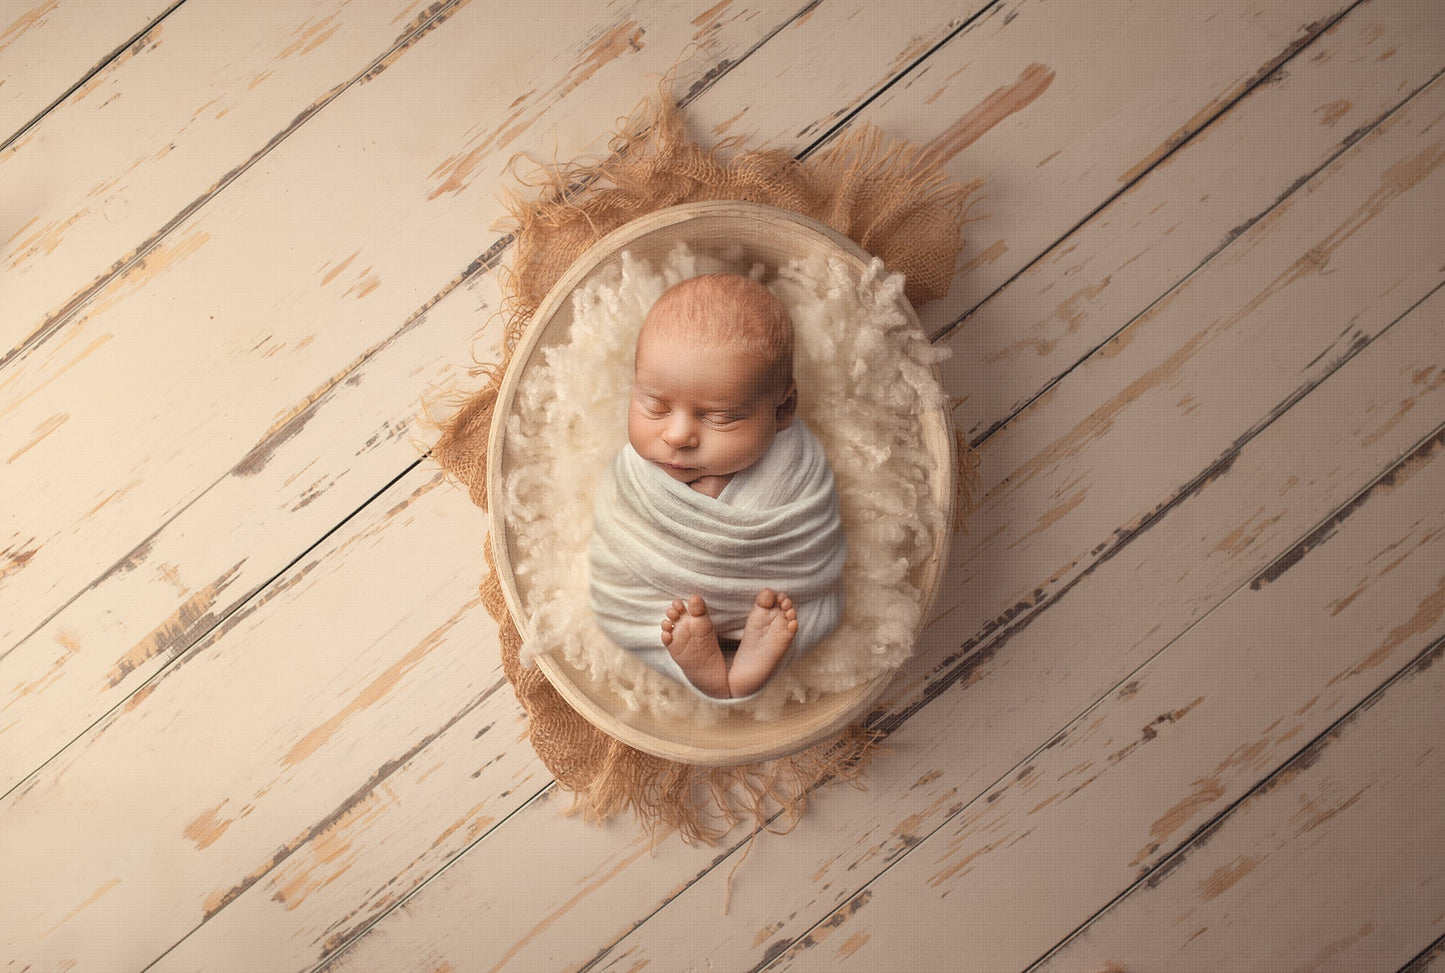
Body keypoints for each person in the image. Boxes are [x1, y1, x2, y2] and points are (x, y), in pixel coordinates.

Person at [587, 272, 847, 700]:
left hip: (777, 597)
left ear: (783, 410)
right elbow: (616, 527)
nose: (676, 435)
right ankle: (701, 667)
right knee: (620, 610)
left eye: (718, 417)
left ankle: (754, 660)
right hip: (659, 600)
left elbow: (814, 535)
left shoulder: (795, 459)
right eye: (655, 406)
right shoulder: (635, 471)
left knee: (813, 611)